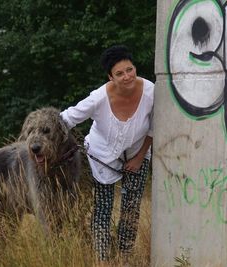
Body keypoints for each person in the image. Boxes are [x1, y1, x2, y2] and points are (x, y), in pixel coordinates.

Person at [60, 45, 154, 263]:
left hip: (138, 153)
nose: (127, 76)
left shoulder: (151, 91)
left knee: (131, 207)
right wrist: (37, 134)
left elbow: (154, 127)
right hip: (101, 155)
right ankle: (102, 259)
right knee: (103, 208)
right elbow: (66, 118)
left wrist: (139, 157)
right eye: (119, 73)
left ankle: (125, 258)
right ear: (110, 77)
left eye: (129, 70)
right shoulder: (98, 98)